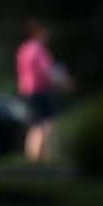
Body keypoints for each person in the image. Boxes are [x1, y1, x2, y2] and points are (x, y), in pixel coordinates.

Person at [16, 20, 64, 163]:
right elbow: (47, 71)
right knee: (48, 123)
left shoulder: (23, 49)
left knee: (35, 124)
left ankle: (32, 157)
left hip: (27, 90)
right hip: (41, 89)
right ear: (37, 33)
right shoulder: (39, 49)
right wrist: (64, 82)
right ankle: (45, 156)